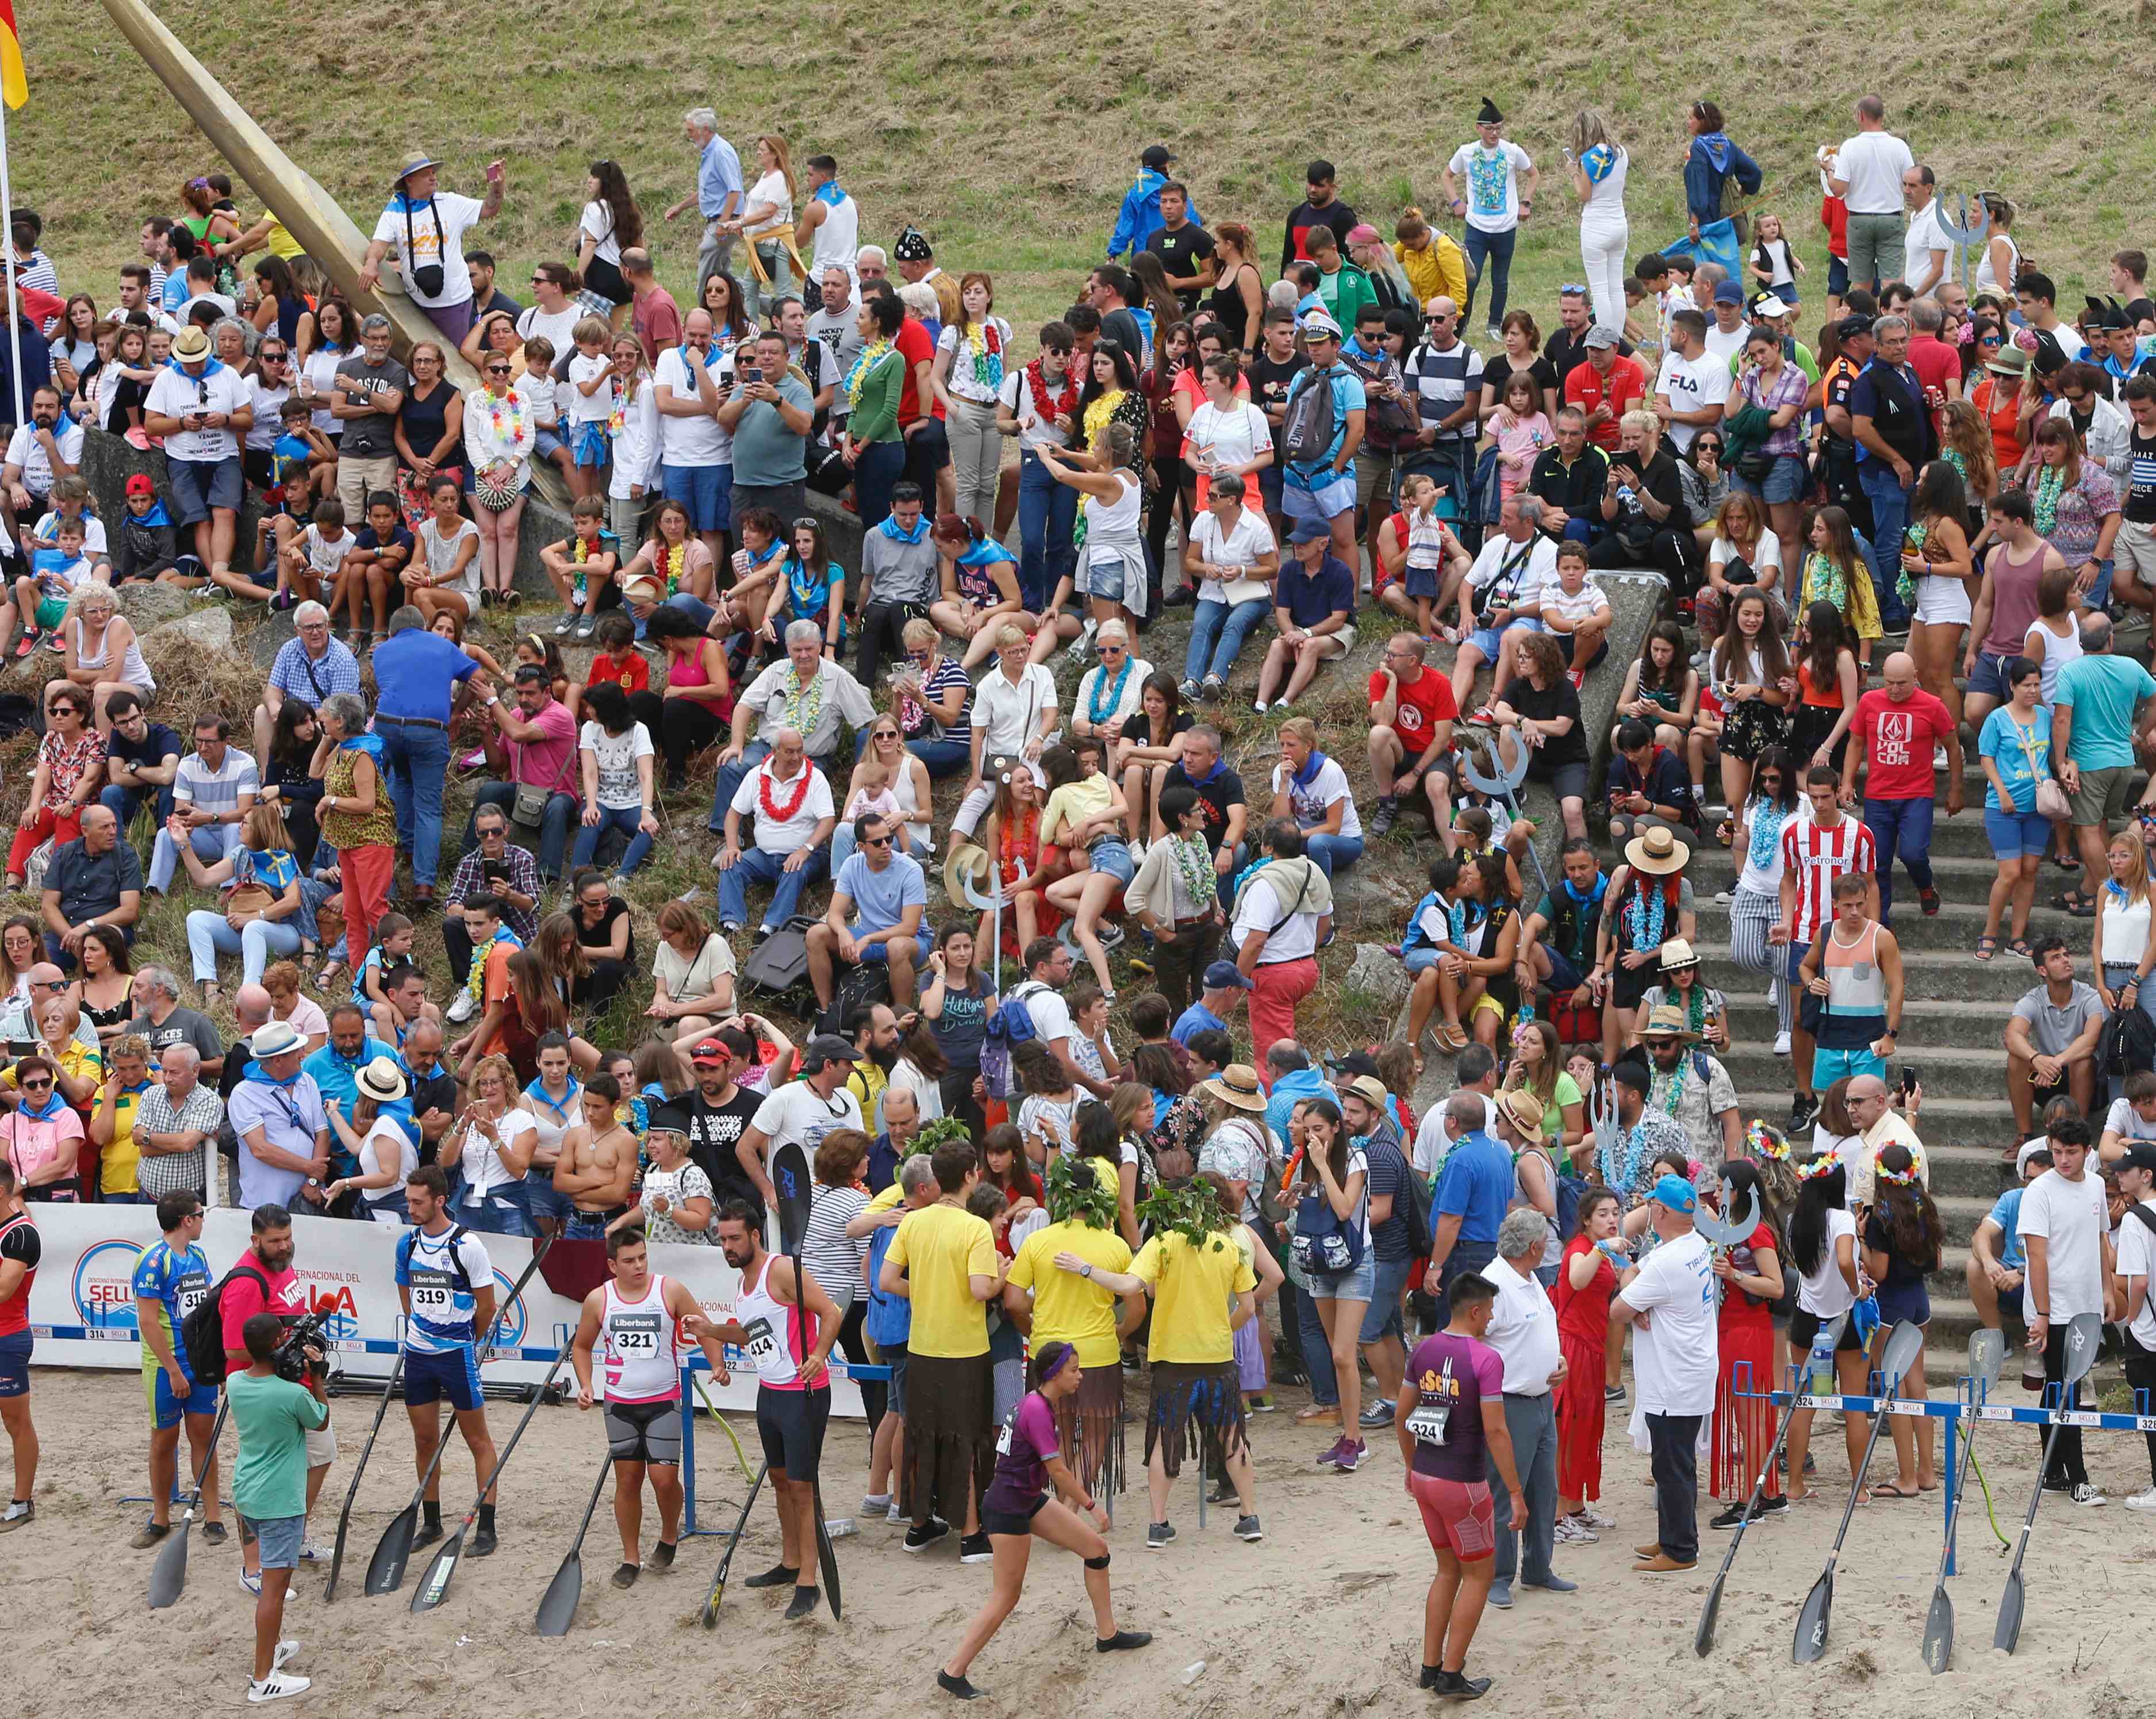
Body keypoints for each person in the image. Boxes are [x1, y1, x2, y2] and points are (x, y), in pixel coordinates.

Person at [935, 1340, 1153, 1702]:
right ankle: (953, 1671)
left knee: (1096, 1551)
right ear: (1054, 1374)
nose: (1080, 1376)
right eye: (1074, 1371)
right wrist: (1091, 1506)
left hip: (1027, 1499)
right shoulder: (1036, 1409)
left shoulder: (1038, 1403)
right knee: (1007, 1596)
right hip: (1008, 1509)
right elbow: (1058, 1471)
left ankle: (1107, 1634)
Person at [569, 1223, 730, 1587]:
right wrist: (585, 1384)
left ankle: (669, 1535)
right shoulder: (599, 1299)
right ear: (613, 1266)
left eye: (643, 1257)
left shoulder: (668, 1290)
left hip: (664, 1401)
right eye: (629, 1261)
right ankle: (630, 1557)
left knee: (664, 1479)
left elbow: (704, 1329)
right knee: (627, 1481)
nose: (639, 1266)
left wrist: (717, 1364)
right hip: (619, 1404)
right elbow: (581, 1346)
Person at [1394, 1269, 1524, 1701]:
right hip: (1463, 1483)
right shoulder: (1486, 1360)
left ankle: (1431, 1667)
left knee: (1446, 1569)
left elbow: (1401, 1415)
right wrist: (1517, 1494)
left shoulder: (1423, 1348)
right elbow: (1497, 1432)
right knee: (1479, 1576)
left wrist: (1412, 1468)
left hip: (1427, 1476)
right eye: (1488, 1312)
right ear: (1474, 1310)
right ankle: (1452, 1674)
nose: (1490, 1320)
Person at [878, 1139, 1005, 1561]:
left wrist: (926, 1291)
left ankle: (919, 1526)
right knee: (966, 1437)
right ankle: (971, 1534)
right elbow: (980, 1289)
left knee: (923, 1434)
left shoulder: (914, 1222)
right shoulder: (975, 1228)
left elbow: (886, 1279)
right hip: (965, 1350)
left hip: (923, 1348)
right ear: (971, 1176)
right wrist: (1003, 1276)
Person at [217, 1204, 335, 1587]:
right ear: (256, 1240)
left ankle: (294, 1535)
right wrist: (283, 1353)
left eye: (288, 1238)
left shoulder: (282, 1266)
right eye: (275, 1241)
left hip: (294, 1387)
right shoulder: (246, 1283)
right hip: (262, 1391)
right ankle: (252, 1568)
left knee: (321, 1454)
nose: (284, 1247)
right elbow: (234, 1348)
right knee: (256, 1476)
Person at [391, 1164, 503, 1555]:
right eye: (408, 1201)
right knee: (425, 1439)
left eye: (418, 1202)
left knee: (477, 1439)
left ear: (440, 1201)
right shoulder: (407, 1245)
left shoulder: (467, 1246)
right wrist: (418, 1329)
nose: (411, 1208)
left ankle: (486, 1526)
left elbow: (486, 1307)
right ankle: (432, 1522)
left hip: (457, 1356)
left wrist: (468, 1342)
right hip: (419, 1355)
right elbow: (406, 1293)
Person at [1609, 1173, 1716, 1573]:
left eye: (1653, 1205)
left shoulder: (1670, 1259)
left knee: (1672, 1467)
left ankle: (1681, 1550)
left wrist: (1637, 1305)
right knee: (1672, 1463)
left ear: (1660, 1211)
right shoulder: (1692, 1246)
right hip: (1686, 1370)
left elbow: (1617, 1310)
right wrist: (1642, 1303)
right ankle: (1673, 1537)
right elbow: (1634, 1275)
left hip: (1675, 1377)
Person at [227, 1307, 328, 1704]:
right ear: (277, 1344)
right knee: (274, 1590)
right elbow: (319, 1420)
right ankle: (263, 1678)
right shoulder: (292, 1394)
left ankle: (272, 1649)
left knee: (271, 1587)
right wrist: (317, 1377)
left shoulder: (236, 1382)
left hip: (248, 1494)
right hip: (280, 1503)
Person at [1476, 1204, 1572, 1609]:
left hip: (1539, 1399)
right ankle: (1499, 1576)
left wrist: (1557, 1360)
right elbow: (1473, 1343)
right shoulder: (1492, 1287)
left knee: (1543, 1489)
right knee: (1504, 1491)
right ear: (1534, 1247)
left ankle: (1537, 1567)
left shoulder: (1527, 1278)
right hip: (1509, 1404)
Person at [2017, 1119, 2112, 1504]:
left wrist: (2107, 1288)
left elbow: (2100, 1237)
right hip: (2053, 1307)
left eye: (2071, 1152)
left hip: (2086, 1303)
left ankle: (2052, 1469)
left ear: (2087, 1151)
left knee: (2061, 1386)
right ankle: (2079, 1478)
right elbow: (2036, 1256)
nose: (2063, 1160)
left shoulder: (2096, 1185)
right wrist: (2042, 1311)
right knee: (2065, 1390)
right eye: (2057, 1151)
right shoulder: (2039, 1191)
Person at [128, 1190, 224, 1548]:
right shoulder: (152, 1261)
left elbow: (209, 1309)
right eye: (201, 1215)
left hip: (199, 1364)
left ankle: (212, 1514)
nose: (203, 1221)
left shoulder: (197, 1254)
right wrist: (173, 1370)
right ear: (188, 1220)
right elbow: (148, 1322)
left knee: (204, 1437)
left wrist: (218, 1362)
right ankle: (160, 1516)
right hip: (166, 1367)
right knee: (164, 1440)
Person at [2006, 937, 2107, 1139]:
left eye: (2066, 955)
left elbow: (2091, 1039)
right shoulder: (2034, 999)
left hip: (2089, 1085)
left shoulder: (2091, 997)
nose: (2066, 961)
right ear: (2042, 970)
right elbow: (2012, 1036)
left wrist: (2055, 1062)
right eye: (2056, 958)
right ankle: (2024, 1136)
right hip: (2049, 1082)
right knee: (2016, 1060)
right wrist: (2036, 1059)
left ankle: (2077, 1136)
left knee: (2083, 1061)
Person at [1368, 635, 1460, 838]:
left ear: (1412, 660)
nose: (1386, 658)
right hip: (1401, 750)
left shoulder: (1439, 683)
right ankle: (1386, 802)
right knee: (1378, 734)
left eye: (1393, 654)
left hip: (1433, 754)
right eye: (1387, 651)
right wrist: (1392, 682)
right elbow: (1382, 721)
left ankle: (1456, 856)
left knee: (1437, 788)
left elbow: (1443, 738)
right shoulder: (1380, 678)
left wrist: (1415, 774)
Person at [1429, 1092, 1514, 1299]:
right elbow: (1508, 1205)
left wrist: (1435, 1266)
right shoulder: (1500, 1151)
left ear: (1452, 1122)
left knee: (1457, 1326)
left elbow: (1452, 1219)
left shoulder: (1461, 1159)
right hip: (1493, 1250)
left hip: (1465, 1257)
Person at [2109, 1141, 2156, 1510]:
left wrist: (2132, 1319)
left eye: (2126, 1170)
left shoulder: (2134, 1220)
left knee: (2151, 1410)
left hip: (2150, 1332)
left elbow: (2136, 1282)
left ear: (2146, 1175)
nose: (2118, 1175)